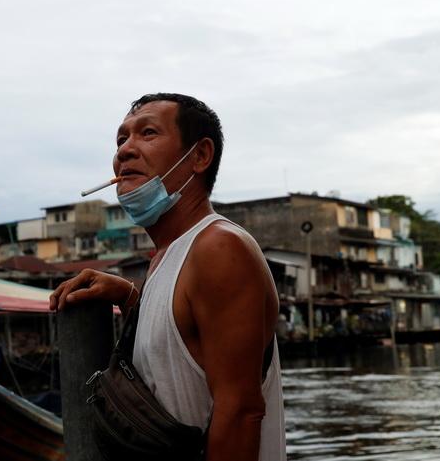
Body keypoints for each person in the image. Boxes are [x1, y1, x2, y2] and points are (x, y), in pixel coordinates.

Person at [49, 93, 286, 460]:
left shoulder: (219, 249)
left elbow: (240, 412)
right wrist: (130, 298)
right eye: (121, 139)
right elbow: (178, 361)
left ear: (199, 156)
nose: (125, 150)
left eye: (147, 133)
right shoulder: (166, 257)